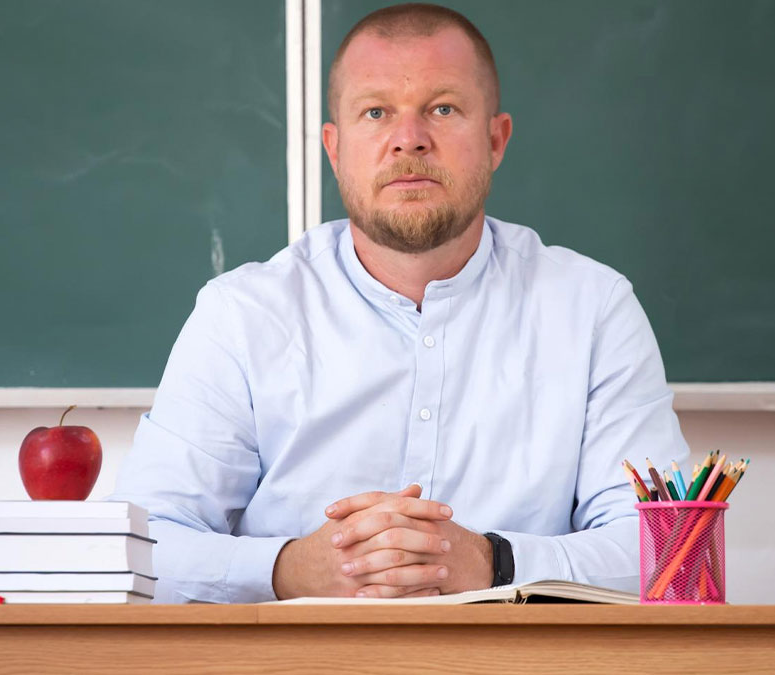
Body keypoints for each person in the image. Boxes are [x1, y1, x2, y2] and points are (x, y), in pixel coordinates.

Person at [110, 3, 689, 603]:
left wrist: (494, 561)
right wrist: (291, 569)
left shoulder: (594, 310)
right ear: (334, 149)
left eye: (443, 108)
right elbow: (139, 550)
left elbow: (673, 555)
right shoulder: (242, 315)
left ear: (495, 140)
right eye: (376, 112)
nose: (408, 139)